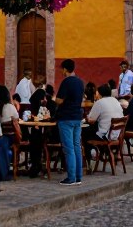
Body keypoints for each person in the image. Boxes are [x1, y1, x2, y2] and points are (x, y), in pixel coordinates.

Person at [54, 58, 84, 186]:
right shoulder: (80, 82)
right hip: (77, 117)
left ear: (65, 69)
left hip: (66, 117)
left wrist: (54, 99)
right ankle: (78, 176)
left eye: (62, 69)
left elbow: (59, 100)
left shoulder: (66, 82)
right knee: (77, 147)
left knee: (69, 148)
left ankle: (71, 177)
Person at [82, 83, 123, 152]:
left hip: (105, 135)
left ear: (100, 93)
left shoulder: (99, 102)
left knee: (84, 131)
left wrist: (86, 118)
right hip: (117, 134)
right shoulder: (116, 101)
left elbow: (91, 120)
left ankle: (90, 154)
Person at [0, 84, 19, 182]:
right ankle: (3, 173)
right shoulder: (10, 107)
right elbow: (16, 120)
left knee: (0, 145)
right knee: (2, 145)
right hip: (8, 136)